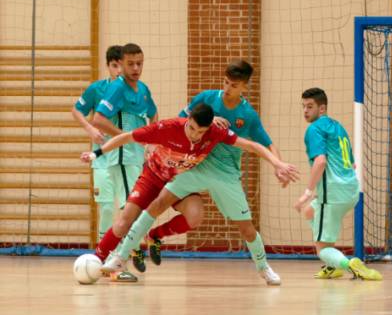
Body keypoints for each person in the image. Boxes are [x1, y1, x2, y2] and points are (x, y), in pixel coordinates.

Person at [109, 60, 299, 286]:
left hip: (226, 174)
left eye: (234, 85)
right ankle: (120, 257)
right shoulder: (207, 98)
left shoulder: (247, 114)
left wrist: (278, 164)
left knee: (247, 229)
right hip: (197, 167)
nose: (227, 88)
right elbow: (181, 123)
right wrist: (207, 123)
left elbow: (263, 144)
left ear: (244, 87)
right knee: (157, 203)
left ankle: (264, 267)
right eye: (225, 82)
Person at [293, 87, 382, 281]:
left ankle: (349, 264)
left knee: (322, 249)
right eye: (304, 106)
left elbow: (320, 162)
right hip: (351, 190)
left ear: (322, 108)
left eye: (310, 106)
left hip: (333, 194)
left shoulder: (314, 129)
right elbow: (352, 163)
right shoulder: (338, 127)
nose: (305, 111)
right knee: (310, 212)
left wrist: (307, 192)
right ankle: (333, 267)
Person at [91, 42, 157, 282]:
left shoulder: (143, 89)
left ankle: (121, 257)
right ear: (122, 64)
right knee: (129, 211)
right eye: (131, 64)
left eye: (139, 63)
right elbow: (98, 119)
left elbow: (153, 114)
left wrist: (151, 141)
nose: (136, 68)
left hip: (135, 158)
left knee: (131, 211)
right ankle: (116, 263)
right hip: (121, 156)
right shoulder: (117, 88)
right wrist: (126, 136)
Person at [71, 45, 122, 242]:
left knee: (128, 208)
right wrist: (90, 129)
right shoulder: (97, 89)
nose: (118, 70)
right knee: (107, 207)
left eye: (121, 66)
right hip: (102, 158)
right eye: (114, 65)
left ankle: (126, 250)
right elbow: (76, 110)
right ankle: (103, 249)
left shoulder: (134, 91)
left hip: (126, 158)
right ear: (108, 66)